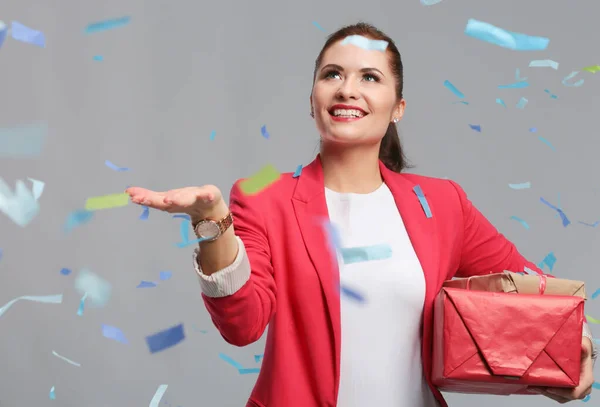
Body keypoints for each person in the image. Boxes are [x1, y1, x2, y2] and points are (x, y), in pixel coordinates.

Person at [126, 22, 596, 407]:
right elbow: (242, 325)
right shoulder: (261, 196)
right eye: (332, 74)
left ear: (398, 108)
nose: (347, 89)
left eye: (369, 77)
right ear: (312, 101)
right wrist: (212, 224)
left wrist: (573, 347)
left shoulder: (442, 203)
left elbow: (533, 289)